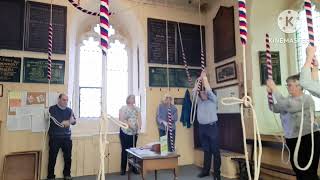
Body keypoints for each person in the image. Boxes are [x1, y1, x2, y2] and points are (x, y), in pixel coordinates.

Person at [266, 75, 320, 180]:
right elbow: (274, 108)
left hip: (308, 138)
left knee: (308, 171)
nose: (288, 87)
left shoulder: (306, 99)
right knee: (298, 171)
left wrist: (274, 89)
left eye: (290, 85)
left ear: (299, 86)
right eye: (287, 85)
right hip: (292, 139)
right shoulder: (287, 100)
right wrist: (268, 94)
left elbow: (288, 106)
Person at [193, 71, 221, 180]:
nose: (203, 93)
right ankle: (206, 171)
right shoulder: (199, 102)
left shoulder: (213, 100)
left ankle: (217, 174)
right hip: (202, 128)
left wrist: (205, 79)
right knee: (206, 150)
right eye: (202, 92)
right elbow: (194, 92)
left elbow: (208, 90)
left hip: (212, 127)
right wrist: (199, 80)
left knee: (215, 151)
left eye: (205, 92)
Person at [47, 94, 76, 180]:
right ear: (59, 99)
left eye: (67, 100)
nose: (65, 102)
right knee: (52, 157)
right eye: (64, 100)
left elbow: (74, 121)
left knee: (68, 157)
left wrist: (69, 122)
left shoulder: (69, 110)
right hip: (55, 137)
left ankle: (67, 174)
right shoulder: (52, 109)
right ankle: (50, 176)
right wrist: (68, 122)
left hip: (67, 138)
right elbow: (59, 123)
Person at [119, 95, 141, 175]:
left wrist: (139, 128)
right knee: (125, 150)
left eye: (134, 98)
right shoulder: (123, 108)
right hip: (125, 132)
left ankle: (133, 168)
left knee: (133, 151)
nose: (134, 99)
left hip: (134, 133)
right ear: (128, 99)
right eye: (132, 98)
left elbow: (139, 119)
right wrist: (129, 125)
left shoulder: (137, 109)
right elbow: (121, 119)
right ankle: (123, 169)